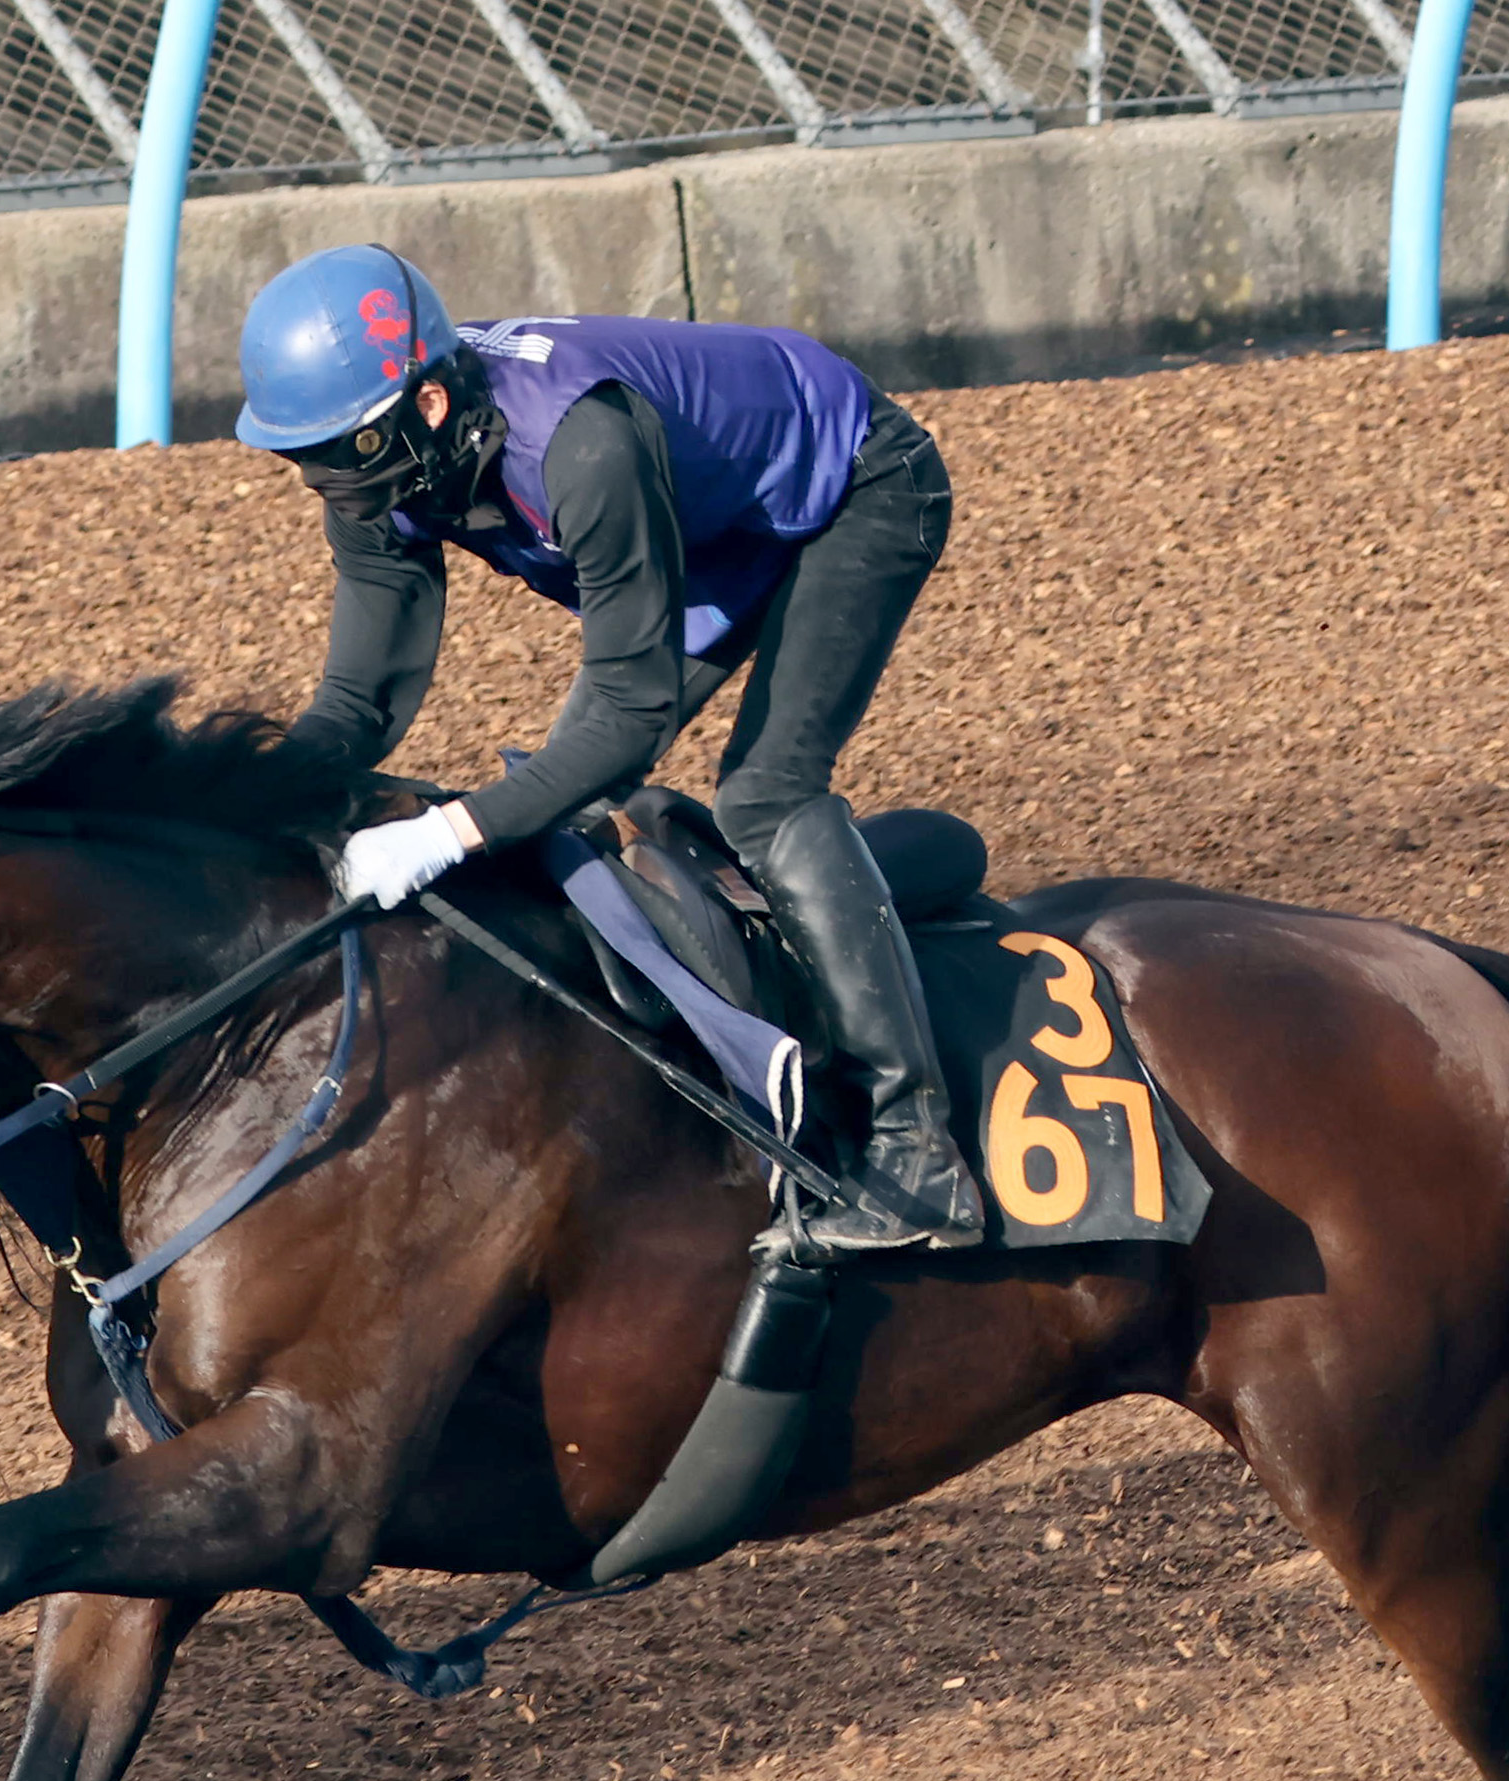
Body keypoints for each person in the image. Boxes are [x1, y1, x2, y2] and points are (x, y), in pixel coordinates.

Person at [235, 245, 984, 1251]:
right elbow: (361, 698)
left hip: (854, 486)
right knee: (565, 794)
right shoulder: (388, 459)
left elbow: (628, 719)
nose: (330, 486)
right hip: (703, 521)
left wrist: (447, 831)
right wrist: (251, 799)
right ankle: (823, 945)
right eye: (305, 458)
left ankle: (912, 1155)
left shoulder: (580, 446)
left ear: (426, 408)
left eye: (343, 454)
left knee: (763, 793)